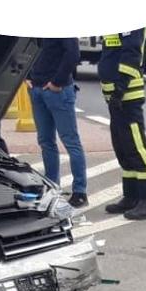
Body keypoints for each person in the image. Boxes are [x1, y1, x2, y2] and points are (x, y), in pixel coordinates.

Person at [99, 27, 146, 219]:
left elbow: (133, 53)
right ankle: (132, 196)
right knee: (122, 147)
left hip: (127, 93)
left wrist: (120, 87)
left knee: (136, 146)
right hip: (114, 94)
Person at [27, 37, 89, 208]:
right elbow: (26, 49)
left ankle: (80, 192)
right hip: (37, 88)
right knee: (46, 141)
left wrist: (57, 81)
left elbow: (73, 54)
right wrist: (27, 76)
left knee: (70, 141)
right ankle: (52, 187)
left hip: (57, 90)